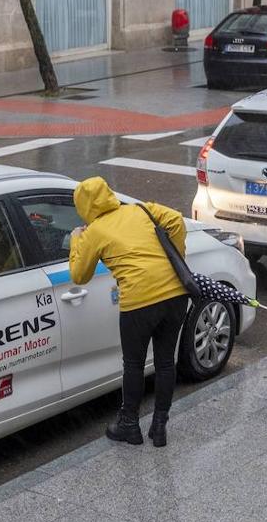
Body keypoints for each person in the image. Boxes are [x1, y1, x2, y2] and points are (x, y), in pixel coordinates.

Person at [69, 177, 189, 448]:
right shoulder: (138, 209)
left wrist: (77, 240)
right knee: (166, 362)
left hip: (140, 301)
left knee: (134, 365)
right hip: (175, 294)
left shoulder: (94, 231)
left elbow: (79, 275)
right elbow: (176, 221)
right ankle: (159, 427)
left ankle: (129, 425)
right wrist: (175, 257)